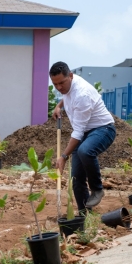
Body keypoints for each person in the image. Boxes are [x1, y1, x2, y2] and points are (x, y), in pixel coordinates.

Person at [50, 61, 116, 213]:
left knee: (85, 151)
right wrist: (59, 106)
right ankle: (85, 214)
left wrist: (63, 156)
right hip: (85, 132)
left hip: (103, 129)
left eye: (62, 83)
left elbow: (78, 132)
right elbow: (67, 95)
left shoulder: (82, 95)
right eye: (55, 84)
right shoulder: (68, 86)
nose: (59, 88)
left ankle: (97, 189)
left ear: (71, 76)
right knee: (77, 178)